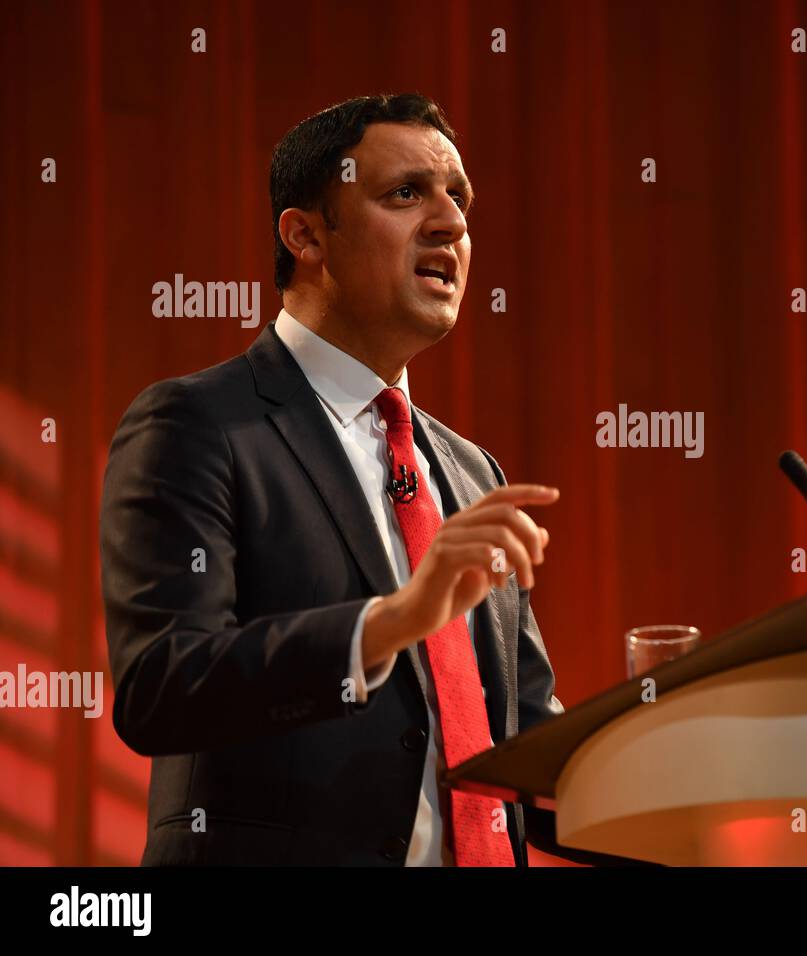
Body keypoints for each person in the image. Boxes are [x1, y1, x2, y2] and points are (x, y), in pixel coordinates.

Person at [100, 93, 566, 866]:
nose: (451, 221)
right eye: (407, 193)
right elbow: (162, 686)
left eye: (460, 198)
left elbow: (519, 745)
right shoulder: (199, 425)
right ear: (306, 235)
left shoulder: (471, 473)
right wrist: (391, 621)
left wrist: (665, 756)